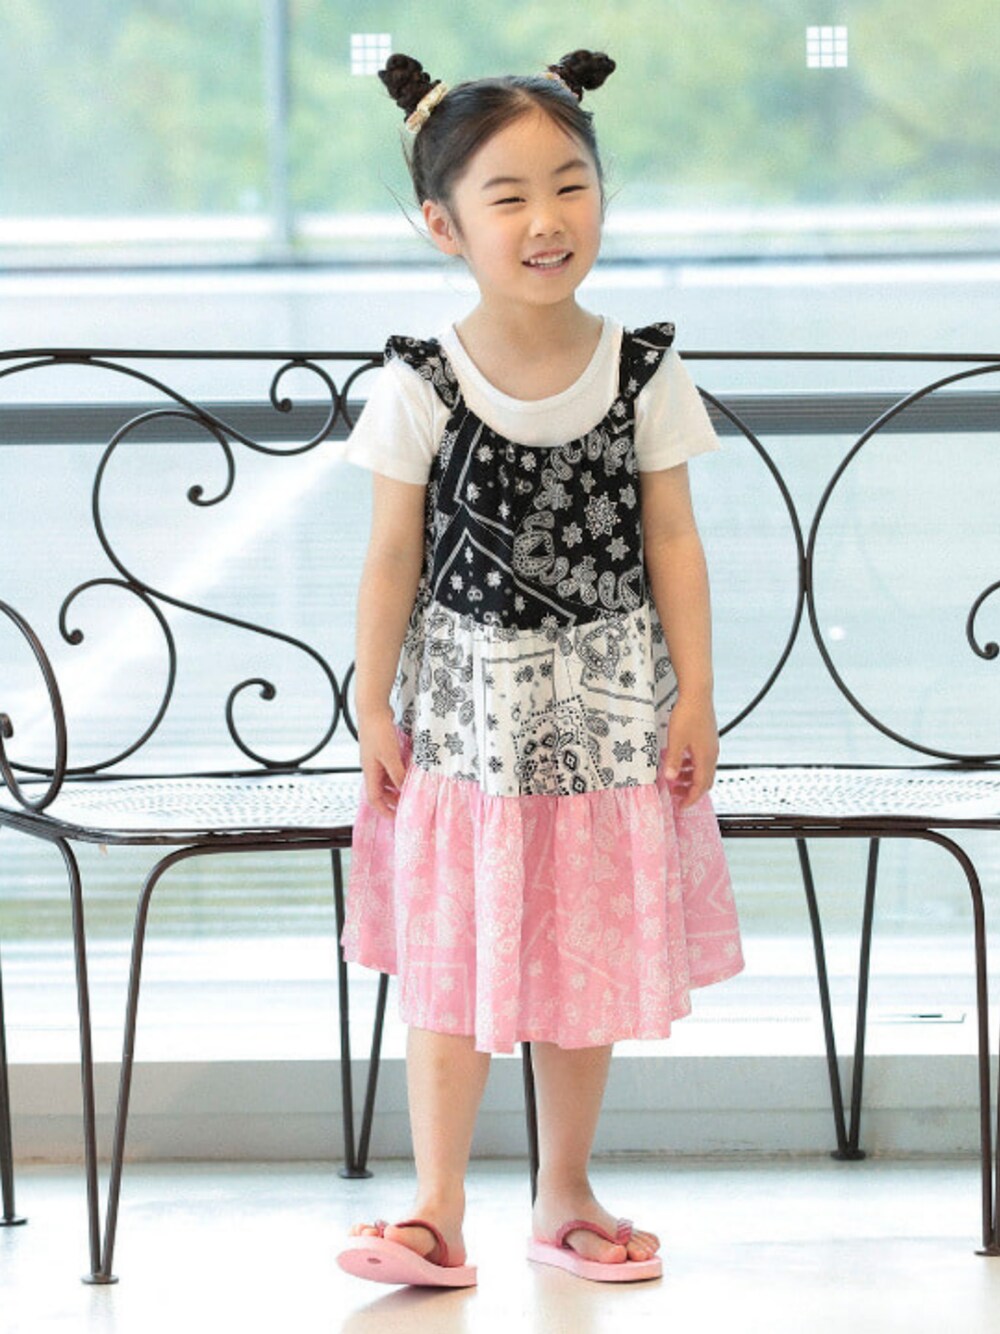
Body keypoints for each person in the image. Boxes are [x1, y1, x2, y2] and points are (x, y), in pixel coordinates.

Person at [335, 48, 743, 1289]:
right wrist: (370, 702)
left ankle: (564, 1193)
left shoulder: (642, 369)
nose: (546, 218)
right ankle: (436, 1206)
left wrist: (696, 695)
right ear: (442, 224)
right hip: (466, 729)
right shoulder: (420, 379)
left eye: (570, 185)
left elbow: (673, 539)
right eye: (506, 196)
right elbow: (390, 553)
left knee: (586, 957)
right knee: (452, 956)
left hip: (610, 721)